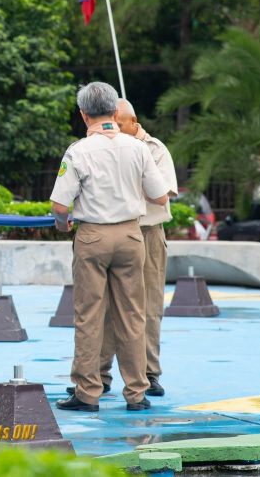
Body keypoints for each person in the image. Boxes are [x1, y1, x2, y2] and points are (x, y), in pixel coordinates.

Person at [50, 82, 170, 413]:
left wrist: (62, 223)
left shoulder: (78, 151)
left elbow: (59, 206)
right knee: (132, 315)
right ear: (116, 112)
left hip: (93, 237)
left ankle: (88, 392)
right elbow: (160, 196)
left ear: (83, 115)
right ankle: (137, 392)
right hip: (131, 236)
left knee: (89, 315)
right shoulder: (138, 148)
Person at [98, 99, 178, 397]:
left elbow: (163, 191)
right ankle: (98, 375)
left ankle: (149, 373)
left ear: (134, 123)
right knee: (104, 305)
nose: (115, 130)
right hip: (113, 229)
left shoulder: (154, 149)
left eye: (120, 125)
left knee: (149, 306)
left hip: (147, 232)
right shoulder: (102, 147)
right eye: (111, 124)